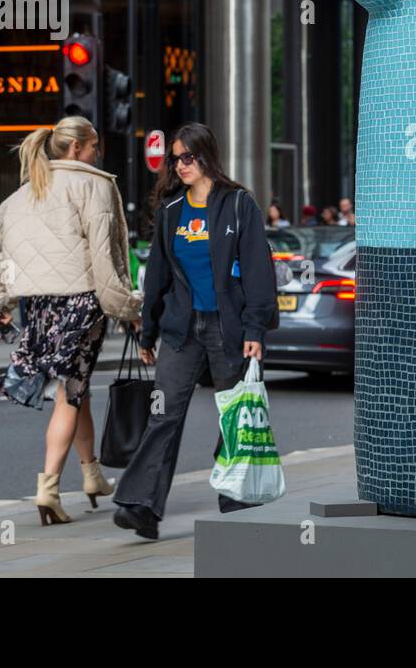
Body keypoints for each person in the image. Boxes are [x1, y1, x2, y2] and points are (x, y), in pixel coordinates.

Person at [112, 122, 277, 540]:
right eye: (175, 158)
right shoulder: (171, 212)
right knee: (163, 412)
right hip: (181, 330)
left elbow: (258, 270)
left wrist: (255, 326)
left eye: (188, 156)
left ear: (206, 156)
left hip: (229, 327)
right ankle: (141, 505)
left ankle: (238, 498)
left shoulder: (238, 204)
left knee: (234, 414)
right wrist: (147, 333)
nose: (180, 164)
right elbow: (158, 280)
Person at [0, 116, 142, 526]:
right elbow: (107, 257)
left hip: (42, 306)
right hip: (83, 302)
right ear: (76, 148)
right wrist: (128, 308)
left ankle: (92, 476)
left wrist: (0, 303)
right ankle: (48, 488)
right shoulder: (95, 185)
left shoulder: (24, 191)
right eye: (94, 147)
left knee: (74, 384)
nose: (97, 154)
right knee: (71, 393)